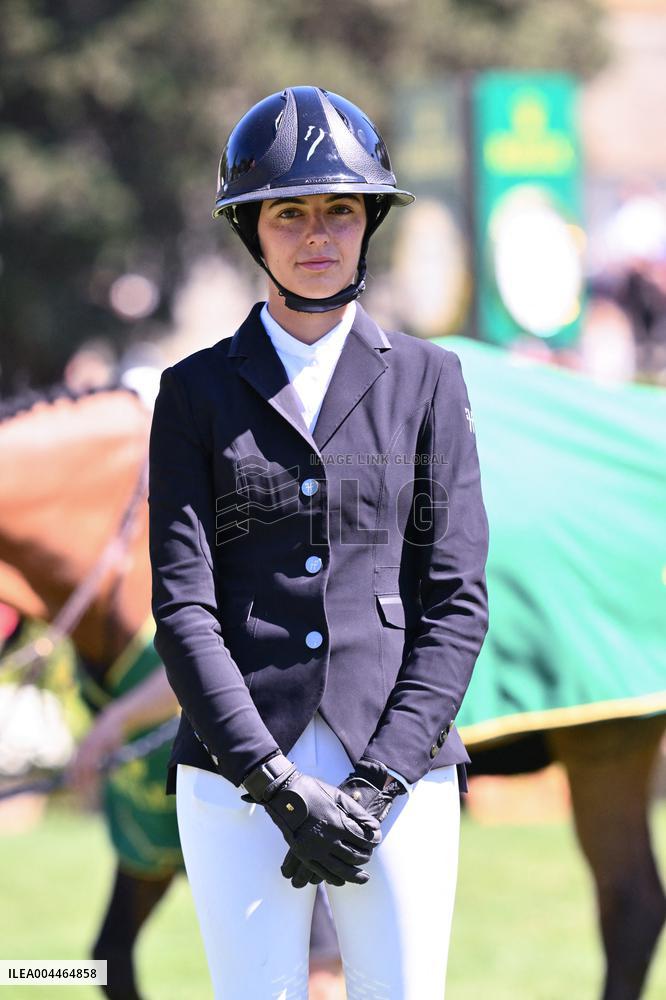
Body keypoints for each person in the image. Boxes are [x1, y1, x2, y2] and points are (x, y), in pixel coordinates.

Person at [148, 85, 489, 1000]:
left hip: (399, 766)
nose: (317, 235)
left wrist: (379, 784)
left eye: (339, 210)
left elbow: (455, 602)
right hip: (237, 768)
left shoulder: (430, 379)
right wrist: (274, 783)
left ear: (369, 222)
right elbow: (183, 609)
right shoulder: (193, 392)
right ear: (251, 230)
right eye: (289, 214)